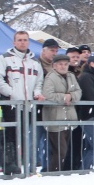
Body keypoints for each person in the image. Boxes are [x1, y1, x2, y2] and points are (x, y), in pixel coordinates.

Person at [0, 30, 45, 175]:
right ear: (14, 42)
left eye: (25, 40)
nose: (23, 42)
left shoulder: (35, 62)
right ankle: (10, 166)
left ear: (28, 42)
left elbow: (39, 82)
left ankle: (29, 166)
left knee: (27, 136)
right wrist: (12, 93)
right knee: (11, 135)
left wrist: (37, 94)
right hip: (12, 104)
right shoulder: (5, 59)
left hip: (29, 106)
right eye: (20, 40)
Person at [41, 54, 82, 171]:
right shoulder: (50, 77)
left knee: (65, 150)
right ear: (54, 66)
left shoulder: (71, 76)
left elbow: (78, 91)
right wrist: (64, 98)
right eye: (60, 64)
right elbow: (47, 94)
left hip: (69, 117)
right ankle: (54, 172)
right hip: (55, 118)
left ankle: (60, 171)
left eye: (65, 64)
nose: (63, 66)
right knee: (60, 150)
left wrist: (71, 96)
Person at [36, 38, 61, 169]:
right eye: (52, 50)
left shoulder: (56, 67)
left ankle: (48, 168)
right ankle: (32, 168)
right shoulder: (36, 64)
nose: (54, 53)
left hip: (53, 109)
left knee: (50, 142)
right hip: (39, 107)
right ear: (44, 50)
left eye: (56, 51)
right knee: (37, 140)